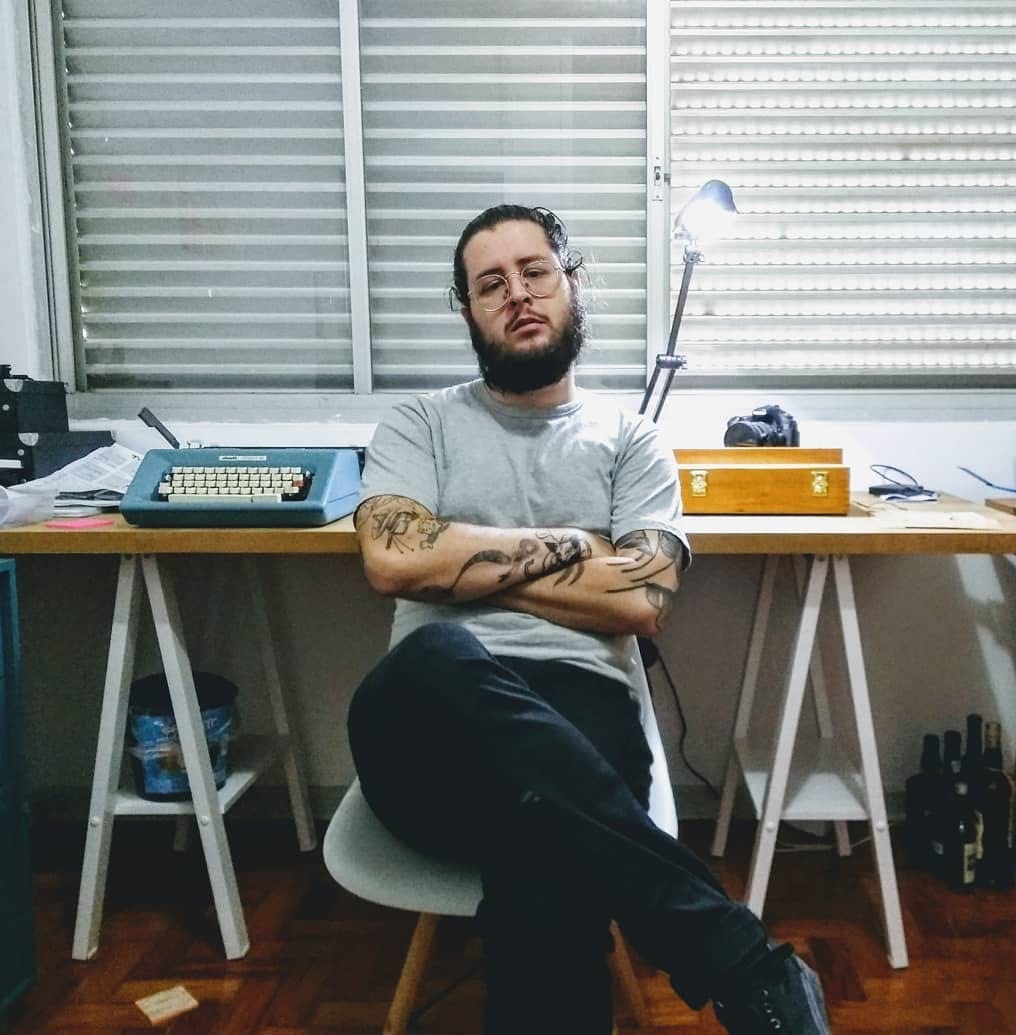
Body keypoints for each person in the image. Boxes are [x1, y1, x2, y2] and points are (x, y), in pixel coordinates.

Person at [346, 204, 829, 1034]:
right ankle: (742, 963)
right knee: (441, 657)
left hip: (582, 714)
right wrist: (577, 546)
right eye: (490, 284)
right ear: (467, 311)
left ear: (574, 283)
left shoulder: (630, 438)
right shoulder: (418, 423)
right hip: (423, 738)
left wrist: (459, 567)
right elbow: (395, 561)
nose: (518, 295)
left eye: (535, 272)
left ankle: (741, 966)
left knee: (548, 879)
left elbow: (643, 599)